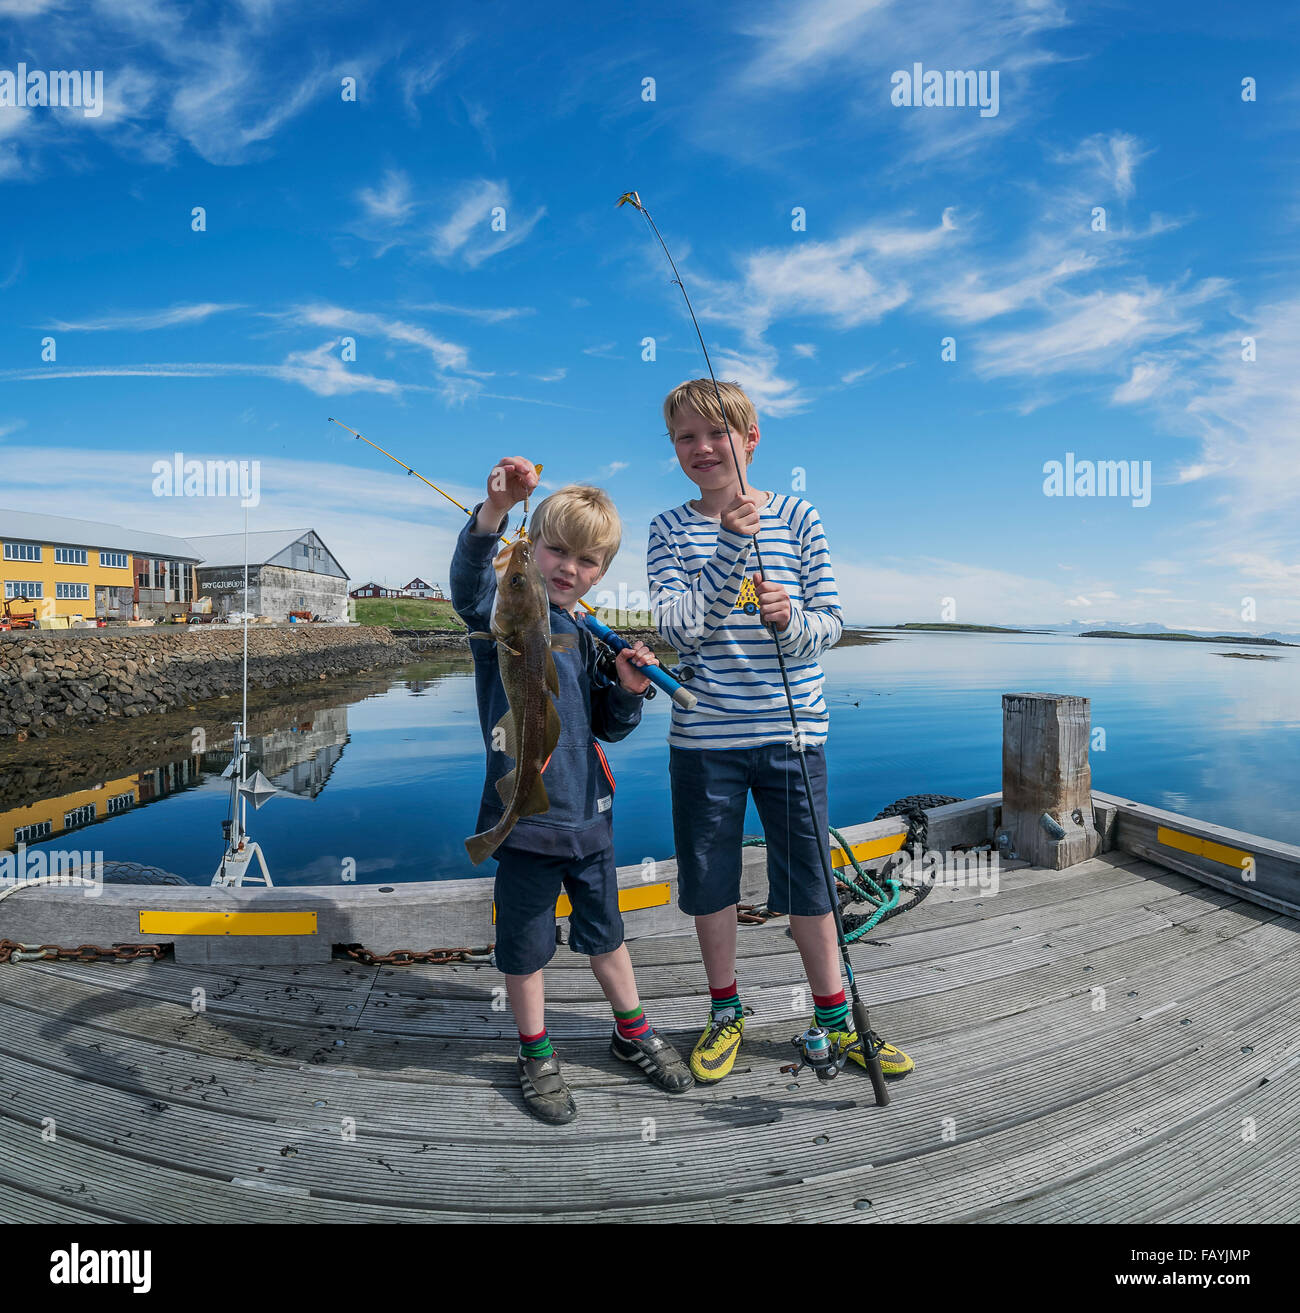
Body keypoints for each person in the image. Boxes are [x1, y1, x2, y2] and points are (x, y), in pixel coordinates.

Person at [646, 380, 915, 1084]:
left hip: (794, 736)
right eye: (686, 437)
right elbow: (677, 629)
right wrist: (731, 549)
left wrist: (791, 619)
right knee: (709, 884)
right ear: (673, 446)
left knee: (811, 887)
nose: (703, 448)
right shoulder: (667, 528)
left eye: (718, 433)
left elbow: (828, 625)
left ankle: (834, 1020)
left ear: (752, 436)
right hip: (704, 741)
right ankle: (725, 1008)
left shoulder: (799, 516)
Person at [451, 456, 692, 1123]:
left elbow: (610, 728)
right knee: (524, 949)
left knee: (606, 936)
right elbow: (469, 582)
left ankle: (632, 1030)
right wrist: (495, 512)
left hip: (589, 823)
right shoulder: (501, 616)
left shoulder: (588, 636)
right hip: (523, 823)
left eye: (588, 561)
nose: (569, 568)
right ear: (530, 550)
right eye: (557, 549)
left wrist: (628, 687)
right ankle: (534, 1051)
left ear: (601, 573)